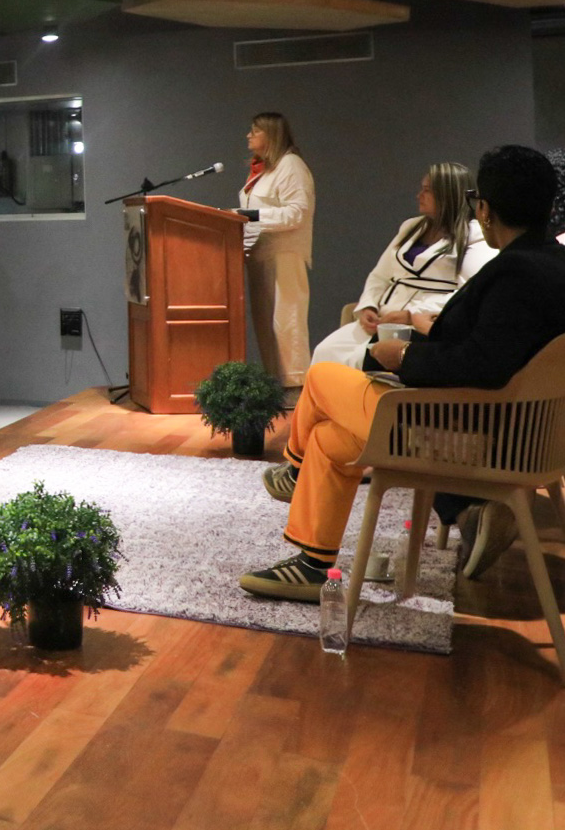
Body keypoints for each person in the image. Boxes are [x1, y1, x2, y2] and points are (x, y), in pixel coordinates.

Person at [241, 146, 565, 600]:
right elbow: (495, 353)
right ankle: (313, 563)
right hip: (519, 434)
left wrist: (403, 358)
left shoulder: (515, 274)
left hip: (465, 434)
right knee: (331, 441)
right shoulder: (552, 265)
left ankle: (293, 472)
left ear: (485, 210)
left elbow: (483, 365)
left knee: (321, 377)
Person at [311, 164, 494, 369]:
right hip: (384, 318)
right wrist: (368, 306)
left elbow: (467, 294)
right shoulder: (410, 227)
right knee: (324, 352)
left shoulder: (473, 235)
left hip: (420, 325)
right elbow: (380, 275)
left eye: (426, 190)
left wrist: (411, 315)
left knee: (358, 360)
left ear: (447, 194)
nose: (419, 195)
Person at [240, 112, 316, 395]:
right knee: (267, 326)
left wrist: (250, 215)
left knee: (286, 323)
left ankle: (295, 389)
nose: (249, 136)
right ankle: (276, 387)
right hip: (260, 256)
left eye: (255, 131)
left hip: (283, 255)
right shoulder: (264, 170)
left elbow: (297, 213)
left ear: (271, 135)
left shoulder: (291, 166)